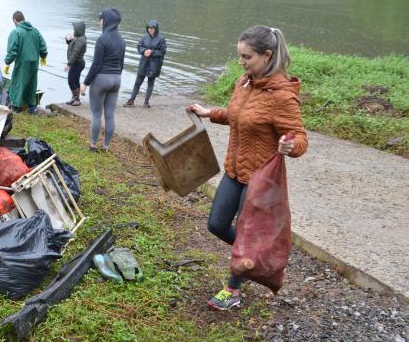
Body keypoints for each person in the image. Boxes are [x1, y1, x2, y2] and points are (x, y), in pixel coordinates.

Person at [187, 25, 308, 310]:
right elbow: (237, 115)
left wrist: (292, 146)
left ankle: (233, 290)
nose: (241, 62)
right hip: (234, 170)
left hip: (260, 178)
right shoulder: (244, 83)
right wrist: (209, 113)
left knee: (244, 234)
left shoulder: (282, 95)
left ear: (267, 56)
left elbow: (300, 137)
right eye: (240, 56)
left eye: (247, 57)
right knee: (216, 224)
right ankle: (256, 260)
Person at [80, 8, 125, 152]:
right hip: (116, 79)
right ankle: (106, 146)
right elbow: (121, 64)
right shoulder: (122, 41)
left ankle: (93, 145)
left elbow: (96, 64)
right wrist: (115, 77)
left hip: (101, 79)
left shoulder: (102, 39)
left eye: (100, 20)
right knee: (110, 114)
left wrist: (85, 83)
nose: (99, 22)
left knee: (97, 114)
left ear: (106, 21)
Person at [3, 11, 48, 114]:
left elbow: (12, 51)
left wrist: (7, 63)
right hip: (34, 63)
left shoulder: (16, 32)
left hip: (22, 63)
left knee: (18, 83)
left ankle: (16, 107)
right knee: (31, 84)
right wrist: (43, 56)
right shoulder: (35, 31)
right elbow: (43, 47)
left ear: (15, 20)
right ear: (23, 19)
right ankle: (32, 107)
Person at [124, 19, 167, 108]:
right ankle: (131, 100)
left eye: (152, 28)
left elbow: (162, 52)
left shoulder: (161, 39)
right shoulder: (144, 37)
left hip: (154, 65)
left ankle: (146, 102)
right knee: (137, 82)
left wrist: (152, 52)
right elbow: (139, 46)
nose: (150, 30)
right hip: (144, 63)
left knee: (150, 83)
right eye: (149, 28)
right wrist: (144, 51)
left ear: (156, 29)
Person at [64, 21, 87, 106]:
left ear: (79, 29)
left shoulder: (81, 40)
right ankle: (75, 98)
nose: (74, 30)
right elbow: (71, 46)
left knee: (71, 81)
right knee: (75, 80)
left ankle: (76, 99)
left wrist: (68, 64)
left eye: (75, 28)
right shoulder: (78, 37)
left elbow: (75, 52)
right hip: (77, 62)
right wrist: (68, 39)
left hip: (77, 63)